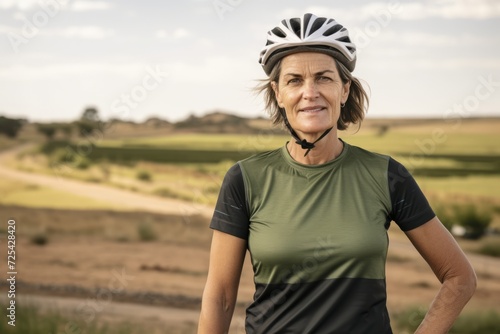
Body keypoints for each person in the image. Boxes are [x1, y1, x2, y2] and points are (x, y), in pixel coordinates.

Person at [198, 13, 476, 333]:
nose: (310, 92)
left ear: (344, 90)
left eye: (324, 77)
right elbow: (219, 298)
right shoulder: (245, 180)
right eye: (295, 80)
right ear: (278, 93)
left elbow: (460, 277)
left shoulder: (386, 175)